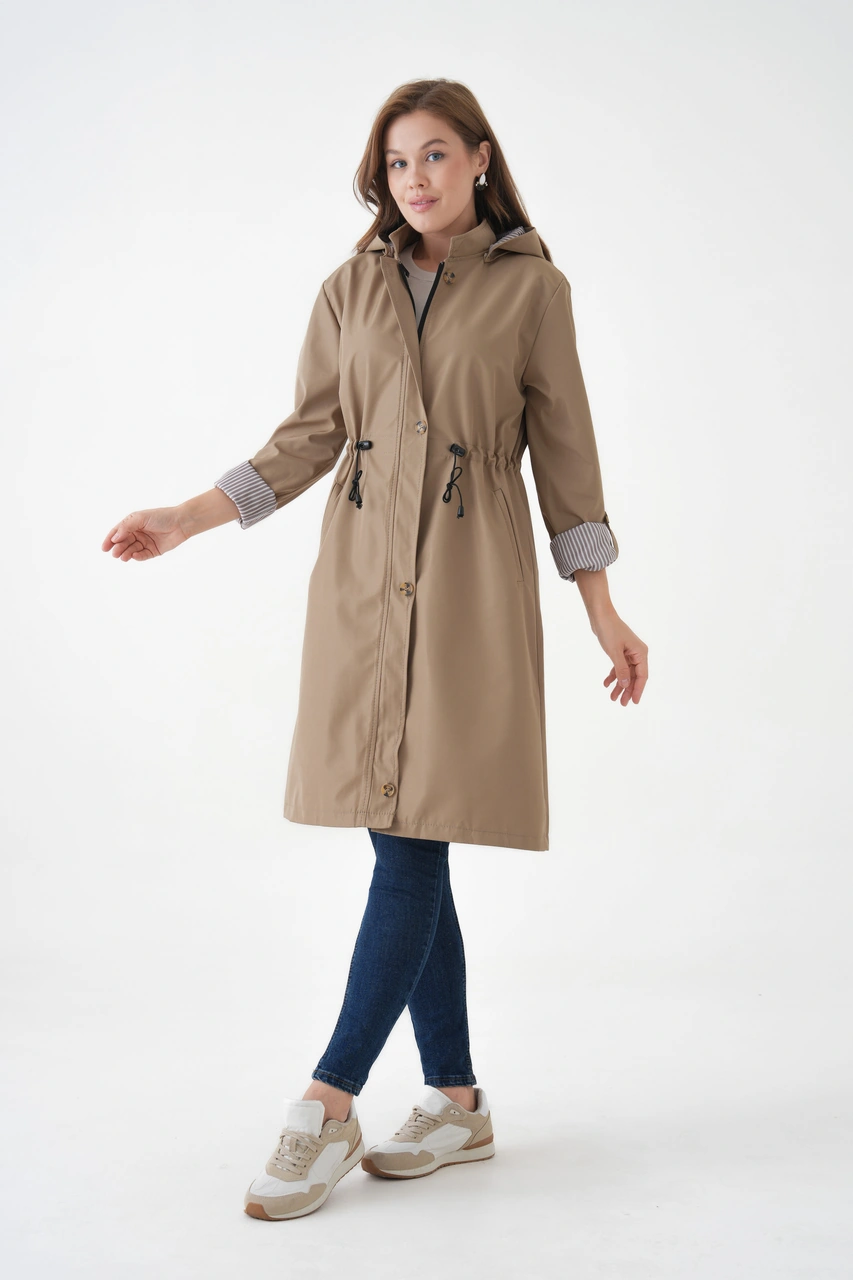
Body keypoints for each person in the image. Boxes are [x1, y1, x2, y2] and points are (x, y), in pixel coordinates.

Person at [102, 78, 648, 1222]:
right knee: (407, 838)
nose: (414, 178)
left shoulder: (532, 291)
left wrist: (602, 609)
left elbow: (567, 457)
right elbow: (307, 436)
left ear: (481, 159)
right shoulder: (349, 287)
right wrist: (187, 516)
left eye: (434, 155)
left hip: (466, 591)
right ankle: (455, 1098)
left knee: (409, 841)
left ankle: (329, 1098)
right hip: (358, 589)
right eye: (397, 162)